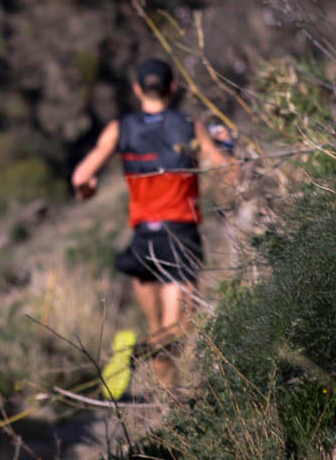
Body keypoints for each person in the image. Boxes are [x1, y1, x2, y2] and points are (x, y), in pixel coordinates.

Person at [70, 58, 229, 389]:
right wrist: (226, 147)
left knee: (161, 331)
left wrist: (88, 191)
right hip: (180, 235)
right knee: (178, 330)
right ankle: (134, 353)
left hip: (143, 240)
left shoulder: (120, 128)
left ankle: (170, 403)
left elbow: (81, 177)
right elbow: (228, 171)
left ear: (138, 89)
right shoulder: (189, 124)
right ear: (172, 88)